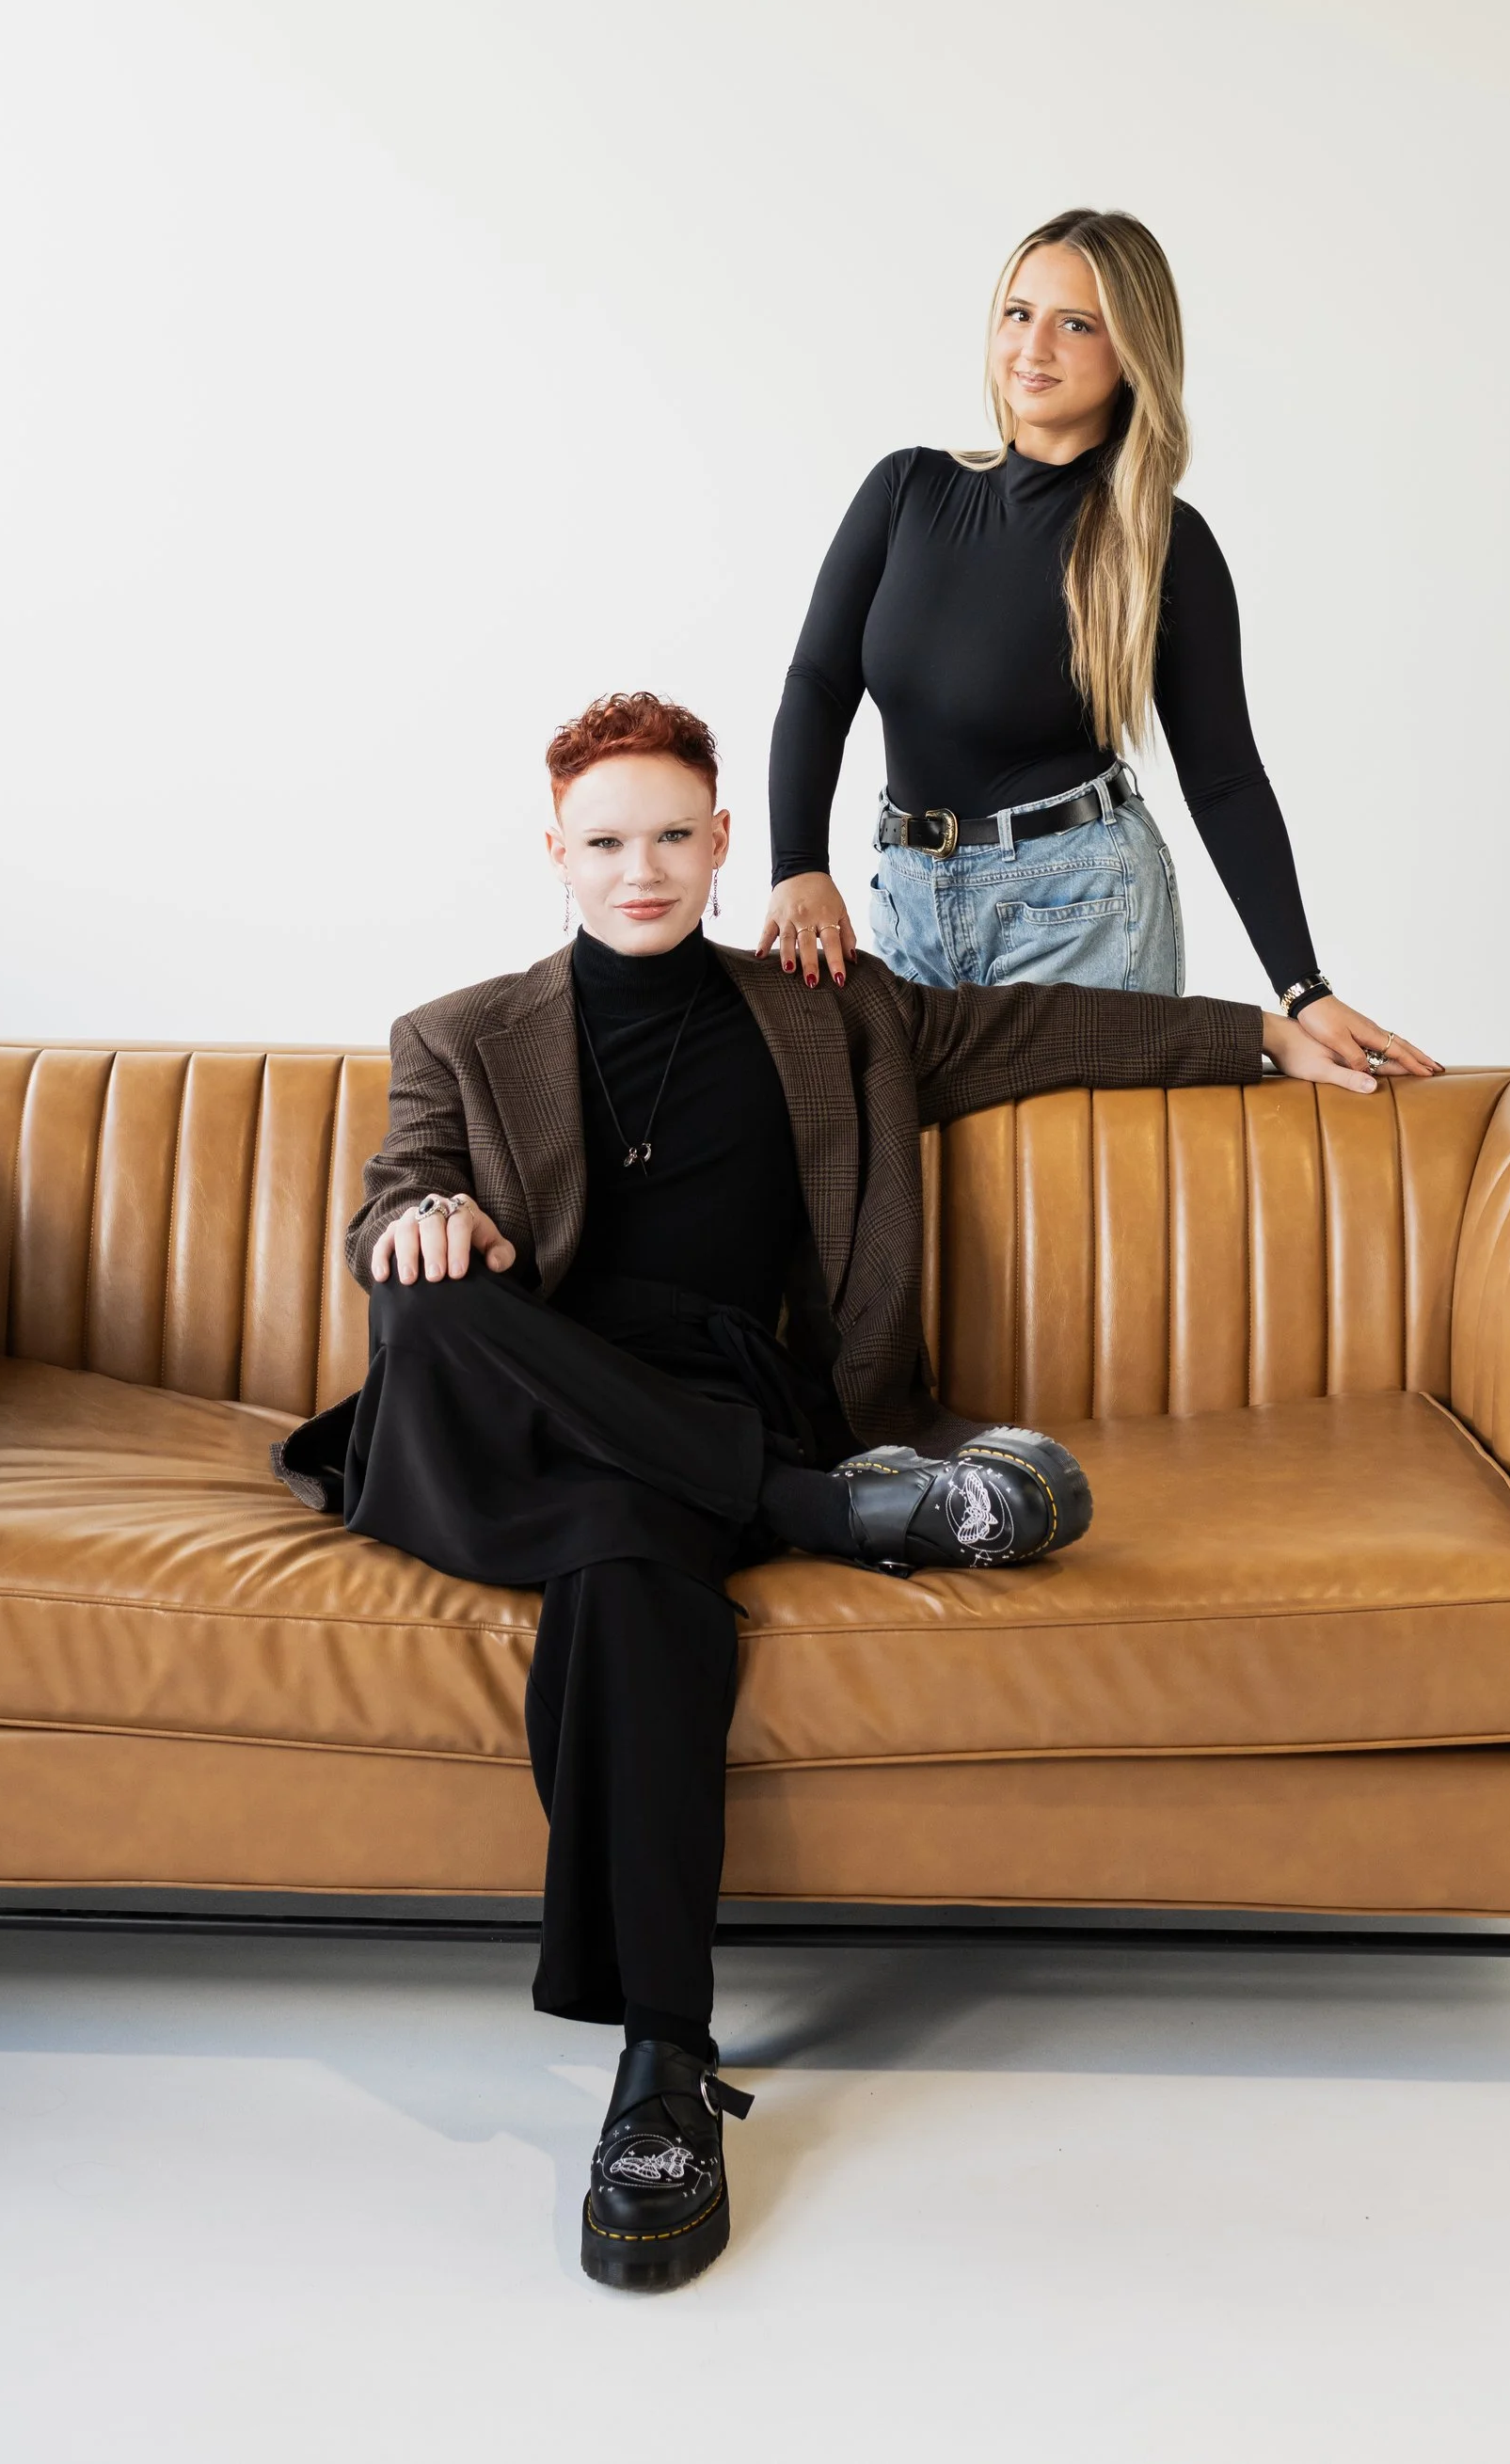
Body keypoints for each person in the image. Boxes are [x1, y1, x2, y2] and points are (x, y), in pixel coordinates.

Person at [270, 689, 1376, 2292]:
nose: (638, 869)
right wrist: (429, 1216)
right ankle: (817, 1509)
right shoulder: (458, 1033)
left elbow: (1045, 1030)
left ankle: (662, 2068)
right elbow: (391, 1198)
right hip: (529, 1405)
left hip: (704, 1416)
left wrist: (1268, 1028)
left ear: (724, 844)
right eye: (604, 841)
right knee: (428, 1307)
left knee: (632, 1580)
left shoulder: (831, 1007)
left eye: (670, 834)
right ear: (555, 856)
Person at [761, 208, 1438, 1087]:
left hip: (1080, 905)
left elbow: (1226, 778)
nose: (1033, 345)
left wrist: (1304, 988)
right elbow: (817, 683)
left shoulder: (1160, 541)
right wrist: (798, 863)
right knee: (923, 1200)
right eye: (1018, 312)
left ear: (1132, 352)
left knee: (1081, 1208)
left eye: (1074, 323)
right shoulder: (906, 490)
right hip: (908, 900)